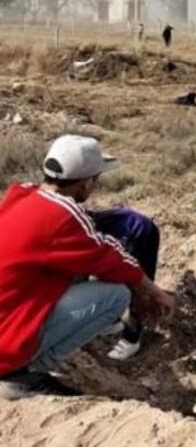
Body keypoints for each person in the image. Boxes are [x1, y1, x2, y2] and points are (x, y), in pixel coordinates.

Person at [0, 135, 175, 400]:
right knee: (116, 295)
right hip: (6, 344)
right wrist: (155, 293)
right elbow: (111, 258)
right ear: (84, 183)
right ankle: (22, 375)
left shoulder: (19, 195)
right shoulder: (63, 217)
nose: (95, 186)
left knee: (72, 270)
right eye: (95, 179)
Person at [89, 208, 161, 360]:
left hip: (139, 233)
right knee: (101, 279)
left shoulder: (80, 227)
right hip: (115, 238)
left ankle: (131, 339)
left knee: (137, 289)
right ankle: (112, 321)